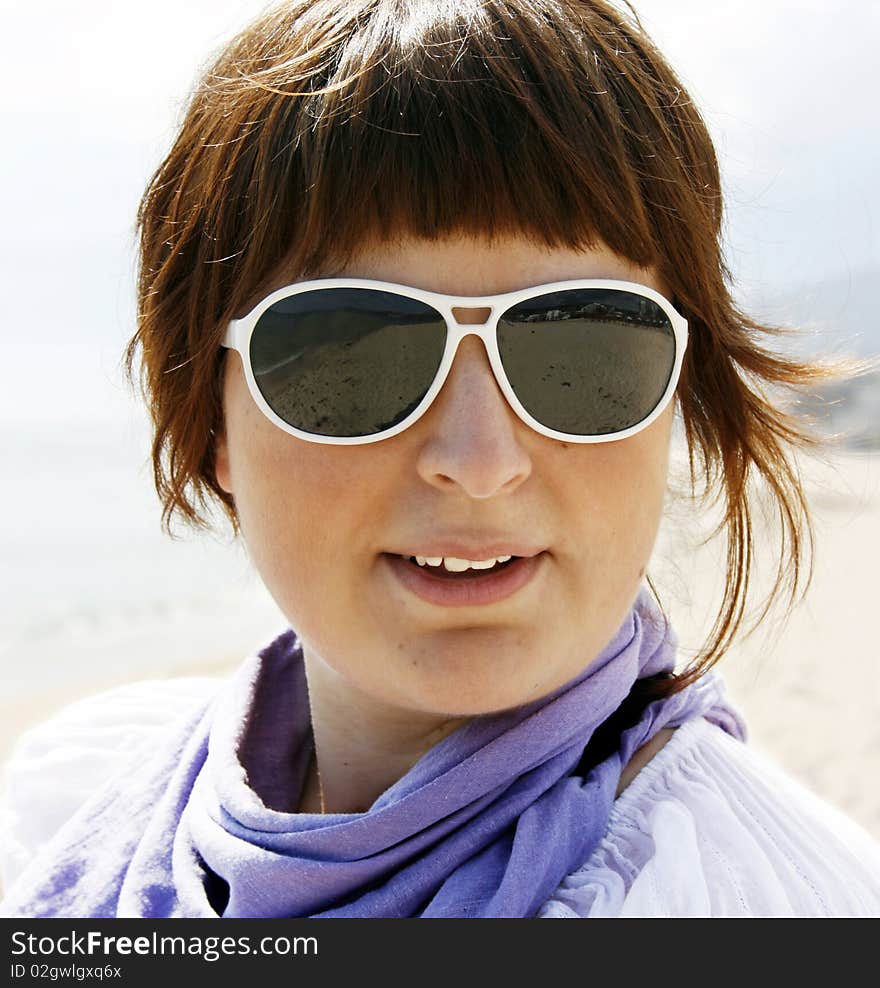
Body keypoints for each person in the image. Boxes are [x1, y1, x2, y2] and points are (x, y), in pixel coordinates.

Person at [2, 0, 879, 918]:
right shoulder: (79, 799)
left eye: (580, 349)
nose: (479, 459)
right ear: (212, 420)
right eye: (355, 348)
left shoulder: (754, 898)